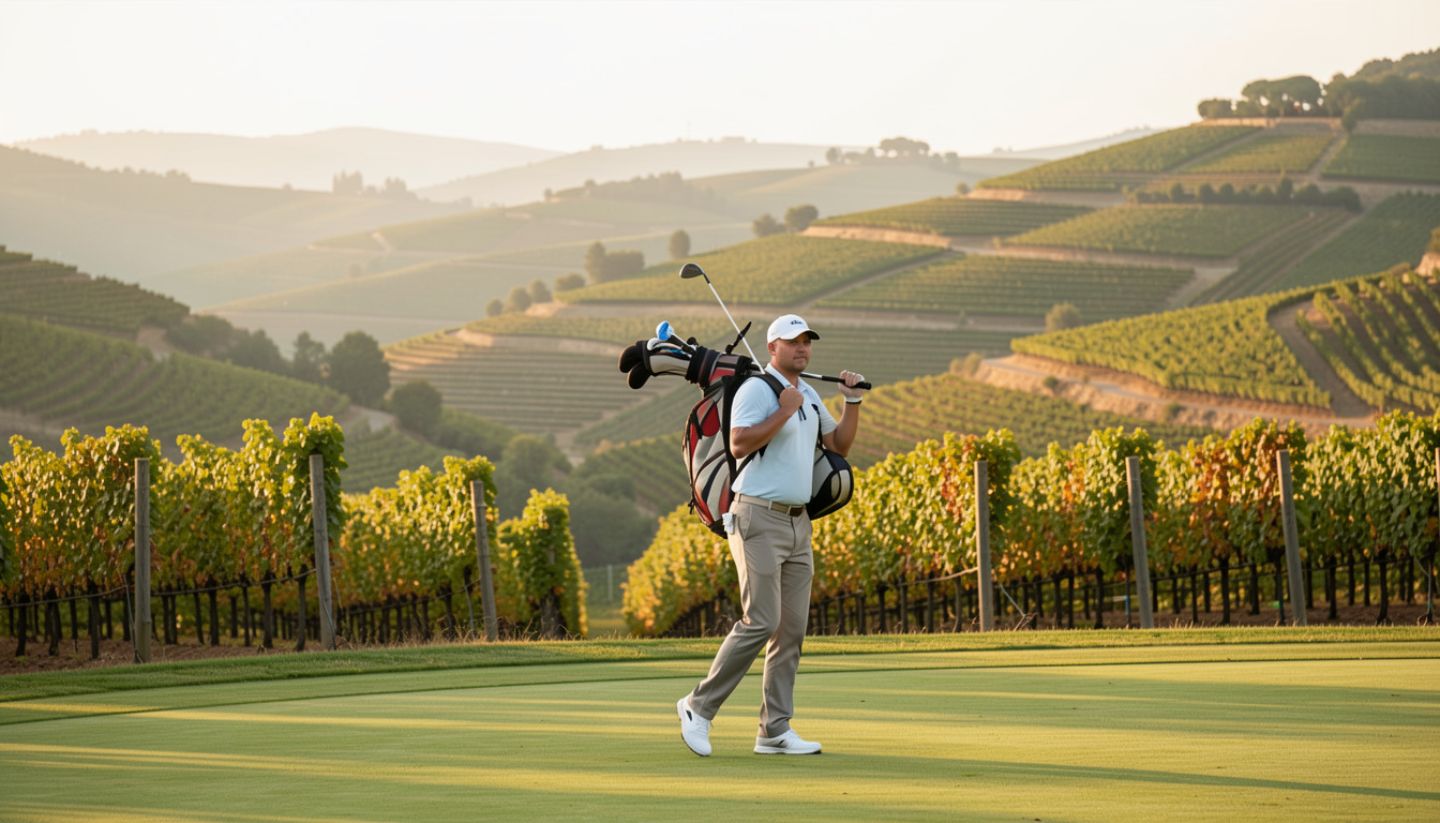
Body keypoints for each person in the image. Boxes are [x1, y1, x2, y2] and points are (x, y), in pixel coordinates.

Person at [676, 313, 864, 756]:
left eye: (807, 342)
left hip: (799, 523)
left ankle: (774, 729)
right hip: (756, 518)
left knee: (791, 630)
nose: (802, 348)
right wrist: (783, 411)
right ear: (773, 347)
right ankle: (697, 708)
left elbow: (837, 446)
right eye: (793, 341)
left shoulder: (808, 394)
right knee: (760, 620)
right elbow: (739, 442)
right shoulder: (757, 389)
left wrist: (851, 402)